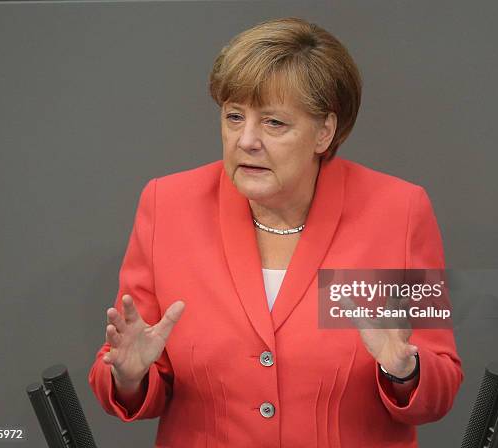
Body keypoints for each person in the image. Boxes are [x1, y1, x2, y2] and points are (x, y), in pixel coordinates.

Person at [88, 17, 463, 447]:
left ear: (325, 132)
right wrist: (129, 375)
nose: (246, 140)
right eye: (233, 117)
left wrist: (405, 371)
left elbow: (440, 384)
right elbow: (123, 372)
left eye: (273, 123)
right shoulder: (168, 206)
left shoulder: (396, 212)